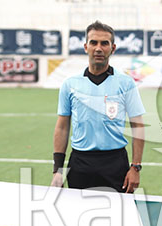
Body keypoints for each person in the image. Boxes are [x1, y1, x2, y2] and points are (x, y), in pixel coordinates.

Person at [51, 21, 145, 193]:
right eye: (94, 43)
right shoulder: (70, 84)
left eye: (104, 43)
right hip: (80, 163)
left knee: (118, 218)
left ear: (113, 48)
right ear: (86, 47)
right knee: (78, 217)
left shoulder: (126, 83)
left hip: (115, 163)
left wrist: (136, 167)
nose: (99, 48)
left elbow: (137, 125)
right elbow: (62, 127)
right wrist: (58, 170)